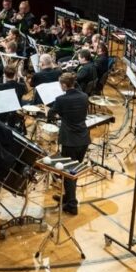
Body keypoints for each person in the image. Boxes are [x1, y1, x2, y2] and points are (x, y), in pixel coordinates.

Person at [47, 72, 90, 215]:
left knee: (67, 172)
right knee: (74, 171)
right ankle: (68, 197)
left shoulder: (61, 99)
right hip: (83, 139)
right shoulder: (84, 96)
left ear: (64, 85)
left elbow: (51, 114)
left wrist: (57, 114)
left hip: (70, 141)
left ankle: (72, 205)